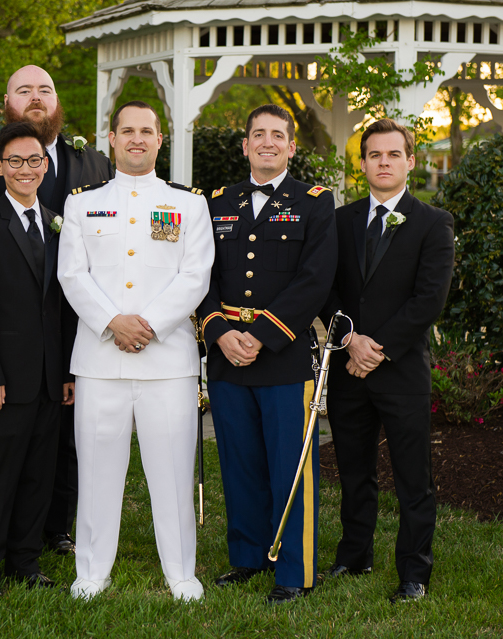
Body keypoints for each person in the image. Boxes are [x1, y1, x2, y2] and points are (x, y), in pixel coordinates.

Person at [0, 65, 113, 555]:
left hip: (56, 356)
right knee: (0, 466)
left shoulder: (83, 180)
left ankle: (36, 548)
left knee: (49, 461)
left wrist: (63, 368)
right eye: (25, 90)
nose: (36, 98)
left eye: (45, 90)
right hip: (2, 360)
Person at [58, 101, 214, 601]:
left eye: (147, 131)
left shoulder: (188, 205)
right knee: (98, 472)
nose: (137, 139)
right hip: (101, 362)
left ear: (160, 140)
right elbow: (71, 275)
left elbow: (195, 275)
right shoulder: (82, 204)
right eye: (128, 131)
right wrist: (113, 323)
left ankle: (181, 573)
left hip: (167, 364)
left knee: (171, 474)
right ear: (111, 137)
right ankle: (91, 571)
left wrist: (147, 326)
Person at [196, 104, 337, 604]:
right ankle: (248, 556)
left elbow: (315, 279)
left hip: (283, 356)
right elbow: (200, 276)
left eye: (278, 135)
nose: (268, 143)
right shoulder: (217, 203)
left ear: (292, 147)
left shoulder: (316, 202)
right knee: (240, 464)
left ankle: (295, 571)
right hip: (228, 355)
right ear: (245, 145)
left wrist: (263, 334)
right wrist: (218, 331)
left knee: (289, 468)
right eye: (259, 135)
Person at [320, 118, 454, 603]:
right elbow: (325, 288)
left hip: (400, 371)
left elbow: (428, 300)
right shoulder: (341, 221)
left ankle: (414, 572)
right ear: (362, 164)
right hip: (348, 370)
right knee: (354, 471)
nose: (383, 162)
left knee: (412, 477)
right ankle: (355, 554)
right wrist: (351, 340)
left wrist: (375, 350)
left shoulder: (433, 223)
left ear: (410, 161)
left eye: (393, 154)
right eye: (374, 155)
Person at [0, 122, 76, 597]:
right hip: (1, 380)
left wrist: (65, 373)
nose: (26, 169)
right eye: (16, 162)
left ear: (46, 167)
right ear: (0, 168)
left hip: (47, 379)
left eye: (35, 161)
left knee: (38, 476)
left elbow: (62, 307)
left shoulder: (57, 224)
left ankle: (25, 561)